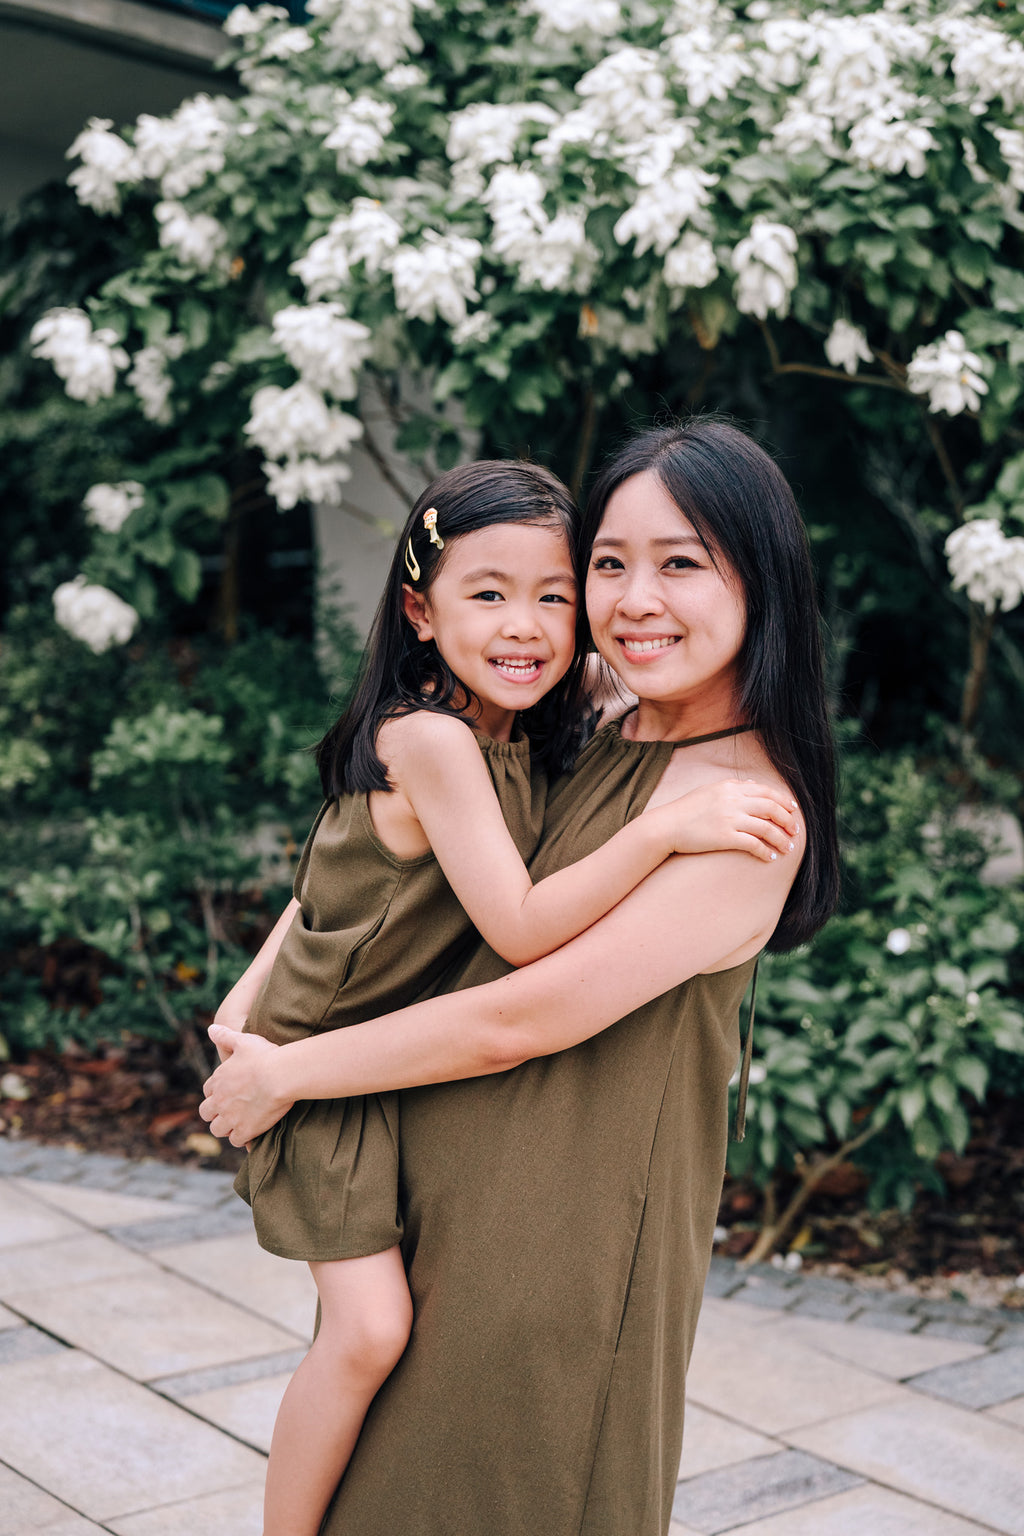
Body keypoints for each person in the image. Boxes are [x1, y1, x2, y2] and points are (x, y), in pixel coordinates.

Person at [201, 419, 839, 1536]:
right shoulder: (602, 709)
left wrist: (287, 1073)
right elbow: (369, 839)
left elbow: (521, 1016)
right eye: (609, 565)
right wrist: (259, 984)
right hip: (439, 1208)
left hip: (557, 1250)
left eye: (681, 563)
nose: (634, 601)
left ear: (763, 580)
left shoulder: (744, 818)